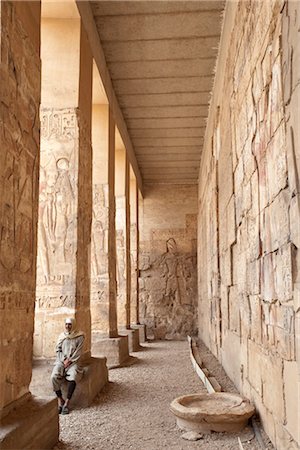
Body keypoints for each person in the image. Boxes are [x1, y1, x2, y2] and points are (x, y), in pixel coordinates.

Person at [51, 317, 85, 414]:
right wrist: (64, 359)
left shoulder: (80, 336)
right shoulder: (62, 336)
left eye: (70, 324)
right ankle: (60, 399)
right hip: (61, 361)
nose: (67, 326)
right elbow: (58, 350)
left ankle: (67, 402)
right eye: (66, 324)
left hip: (74, 362)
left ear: (73, 325)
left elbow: (78, 352)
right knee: (54, 377)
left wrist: (70, 361)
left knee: (73, 377)